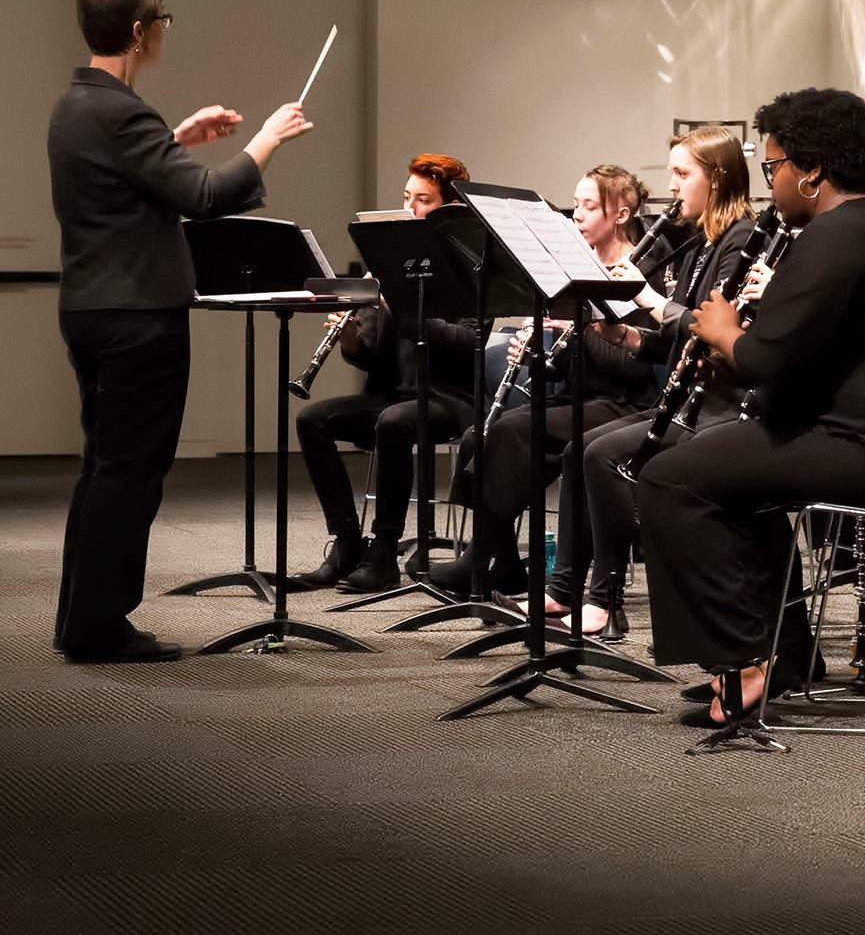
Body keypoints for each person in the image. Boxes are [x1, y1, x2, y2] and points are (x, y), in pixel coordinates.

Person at [639, 88, 865, 725]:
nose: (772, 182)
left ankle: (745, 656)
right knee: (725, 476)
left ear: (811, 170)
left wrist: (724, 329)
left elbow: (768, 359)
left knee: (670, 478)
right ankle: (785, 657)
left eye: (774, 166)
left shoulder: (838, 235)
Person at [49, 0, 312, 662]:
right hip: (138, 317)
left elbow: (136, 179)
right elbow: (203, 197)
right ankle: (100, 628)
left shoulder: (79, 105)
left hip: (91, 309)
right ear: (139, 32)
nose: (165, 30)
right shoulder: (120, 112)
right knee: (130, 474)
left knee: (103, 468)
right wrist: (268, 139)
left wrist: (178, 139)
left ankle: (79, 619)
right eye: (163, 20)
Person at [546, 130, 759, 639]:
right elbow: (673, 340)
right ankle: (566, 587)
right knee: (582, 449)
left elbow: (709, 327)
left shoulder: (740, 240)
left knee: (601, 457)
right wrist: (624, 336)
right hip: (688, 396)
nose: (672, 186)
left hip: (722, 407)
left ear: (719, 178)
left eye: (683, 174)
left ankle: (605, 601)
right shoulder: (701, 245)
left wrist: (648, 299)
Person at [423, 163, 664, 602]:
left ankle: (478, 563)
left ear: (622, 215)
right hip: (579, 396)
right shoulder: (574, 265)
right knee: (481, 434)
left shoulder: (639, 271)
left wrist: (577, 337)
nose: (577, 215)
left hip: (625, 403)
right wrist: (540, 353)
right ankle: (505, 563)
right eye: (575, 205)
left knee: (515, 432)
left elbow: (637, 365)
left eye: (589, 206)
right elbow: (564, 366)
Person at [289, 155, 483, 592]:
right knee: (311, 419)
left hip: (451, 397)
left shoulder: (470, 266)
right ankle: (347, 542)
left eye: (423, 200)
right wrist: (350, 338)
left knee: (393, 422)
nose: (411, 209)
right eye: (407, 197)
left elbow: (465, 343)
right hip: (392, 394)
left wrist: (403, 306)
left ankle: (384, 552)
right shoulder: (390, 260)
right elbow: (372, 357)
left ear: (450, 208)